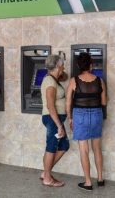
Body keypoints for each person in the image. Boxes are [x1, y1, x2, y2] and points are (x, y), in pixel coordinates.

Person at [66, 52, 107, 191]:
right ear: (91, 65)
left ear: (78, 65)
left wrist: (70, 118)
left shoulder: (74, 81)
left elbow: (68, 102)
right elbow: (104, 101)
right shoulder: (99, 80)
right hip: (96, 114)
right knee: (97, 148)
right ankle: (100, 179)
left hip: (80, 115)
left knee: (84, 150)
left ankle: (88, 182)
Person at [40, 55, 70, 187]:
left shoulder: (53, 79)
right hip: (52, 119)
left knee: (64, 146)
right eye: (62, 65)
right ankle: (47, 178)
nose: (64, 67)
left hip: (56, 119)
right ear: (58, 66)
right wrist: (59, 125)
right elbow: (50, 105)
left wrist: (60, 72)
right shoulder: (49, 81)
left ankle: (45, 172)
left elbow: (65, 76)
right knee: (51, 147)